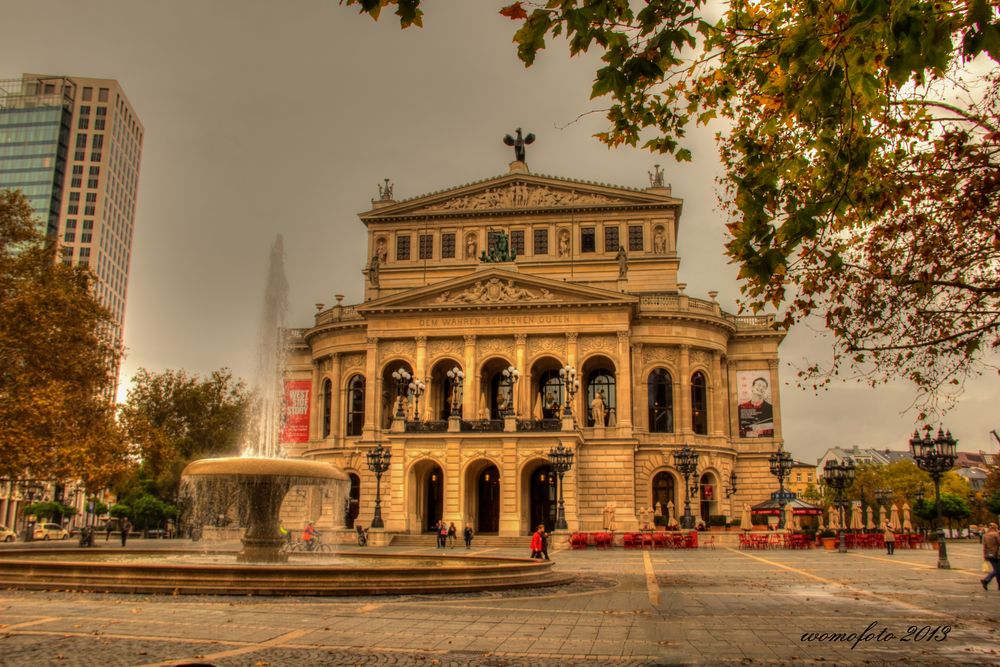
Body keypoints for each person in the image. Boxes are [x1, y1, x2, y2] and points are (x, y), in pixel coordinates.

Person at [981, 522, 1000, 590]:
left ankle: (999, 586)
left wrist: (985, 556)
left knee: (997, 570)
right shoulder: (995, 534)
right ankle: (986, 580)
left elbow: (984, 546)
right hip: (996, 554)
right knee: (997, 570)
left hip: (988, 554)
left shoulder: (985, 535)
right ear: (995, 527)